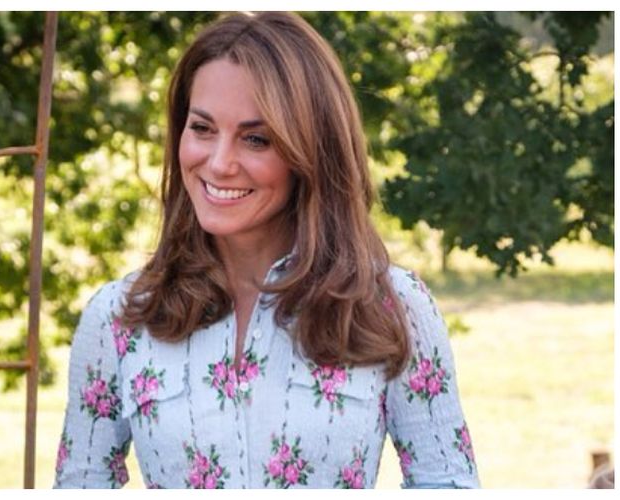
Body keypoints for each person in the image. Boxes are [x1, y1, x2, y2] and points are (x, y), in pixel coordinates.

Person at [53, 11, 480, 489]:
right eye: (202, 128)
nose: (219, 163)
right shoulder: (119, 318)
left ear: (312, 151)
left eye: (256, 139)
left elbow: (446, 484)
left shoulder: (390, 305)